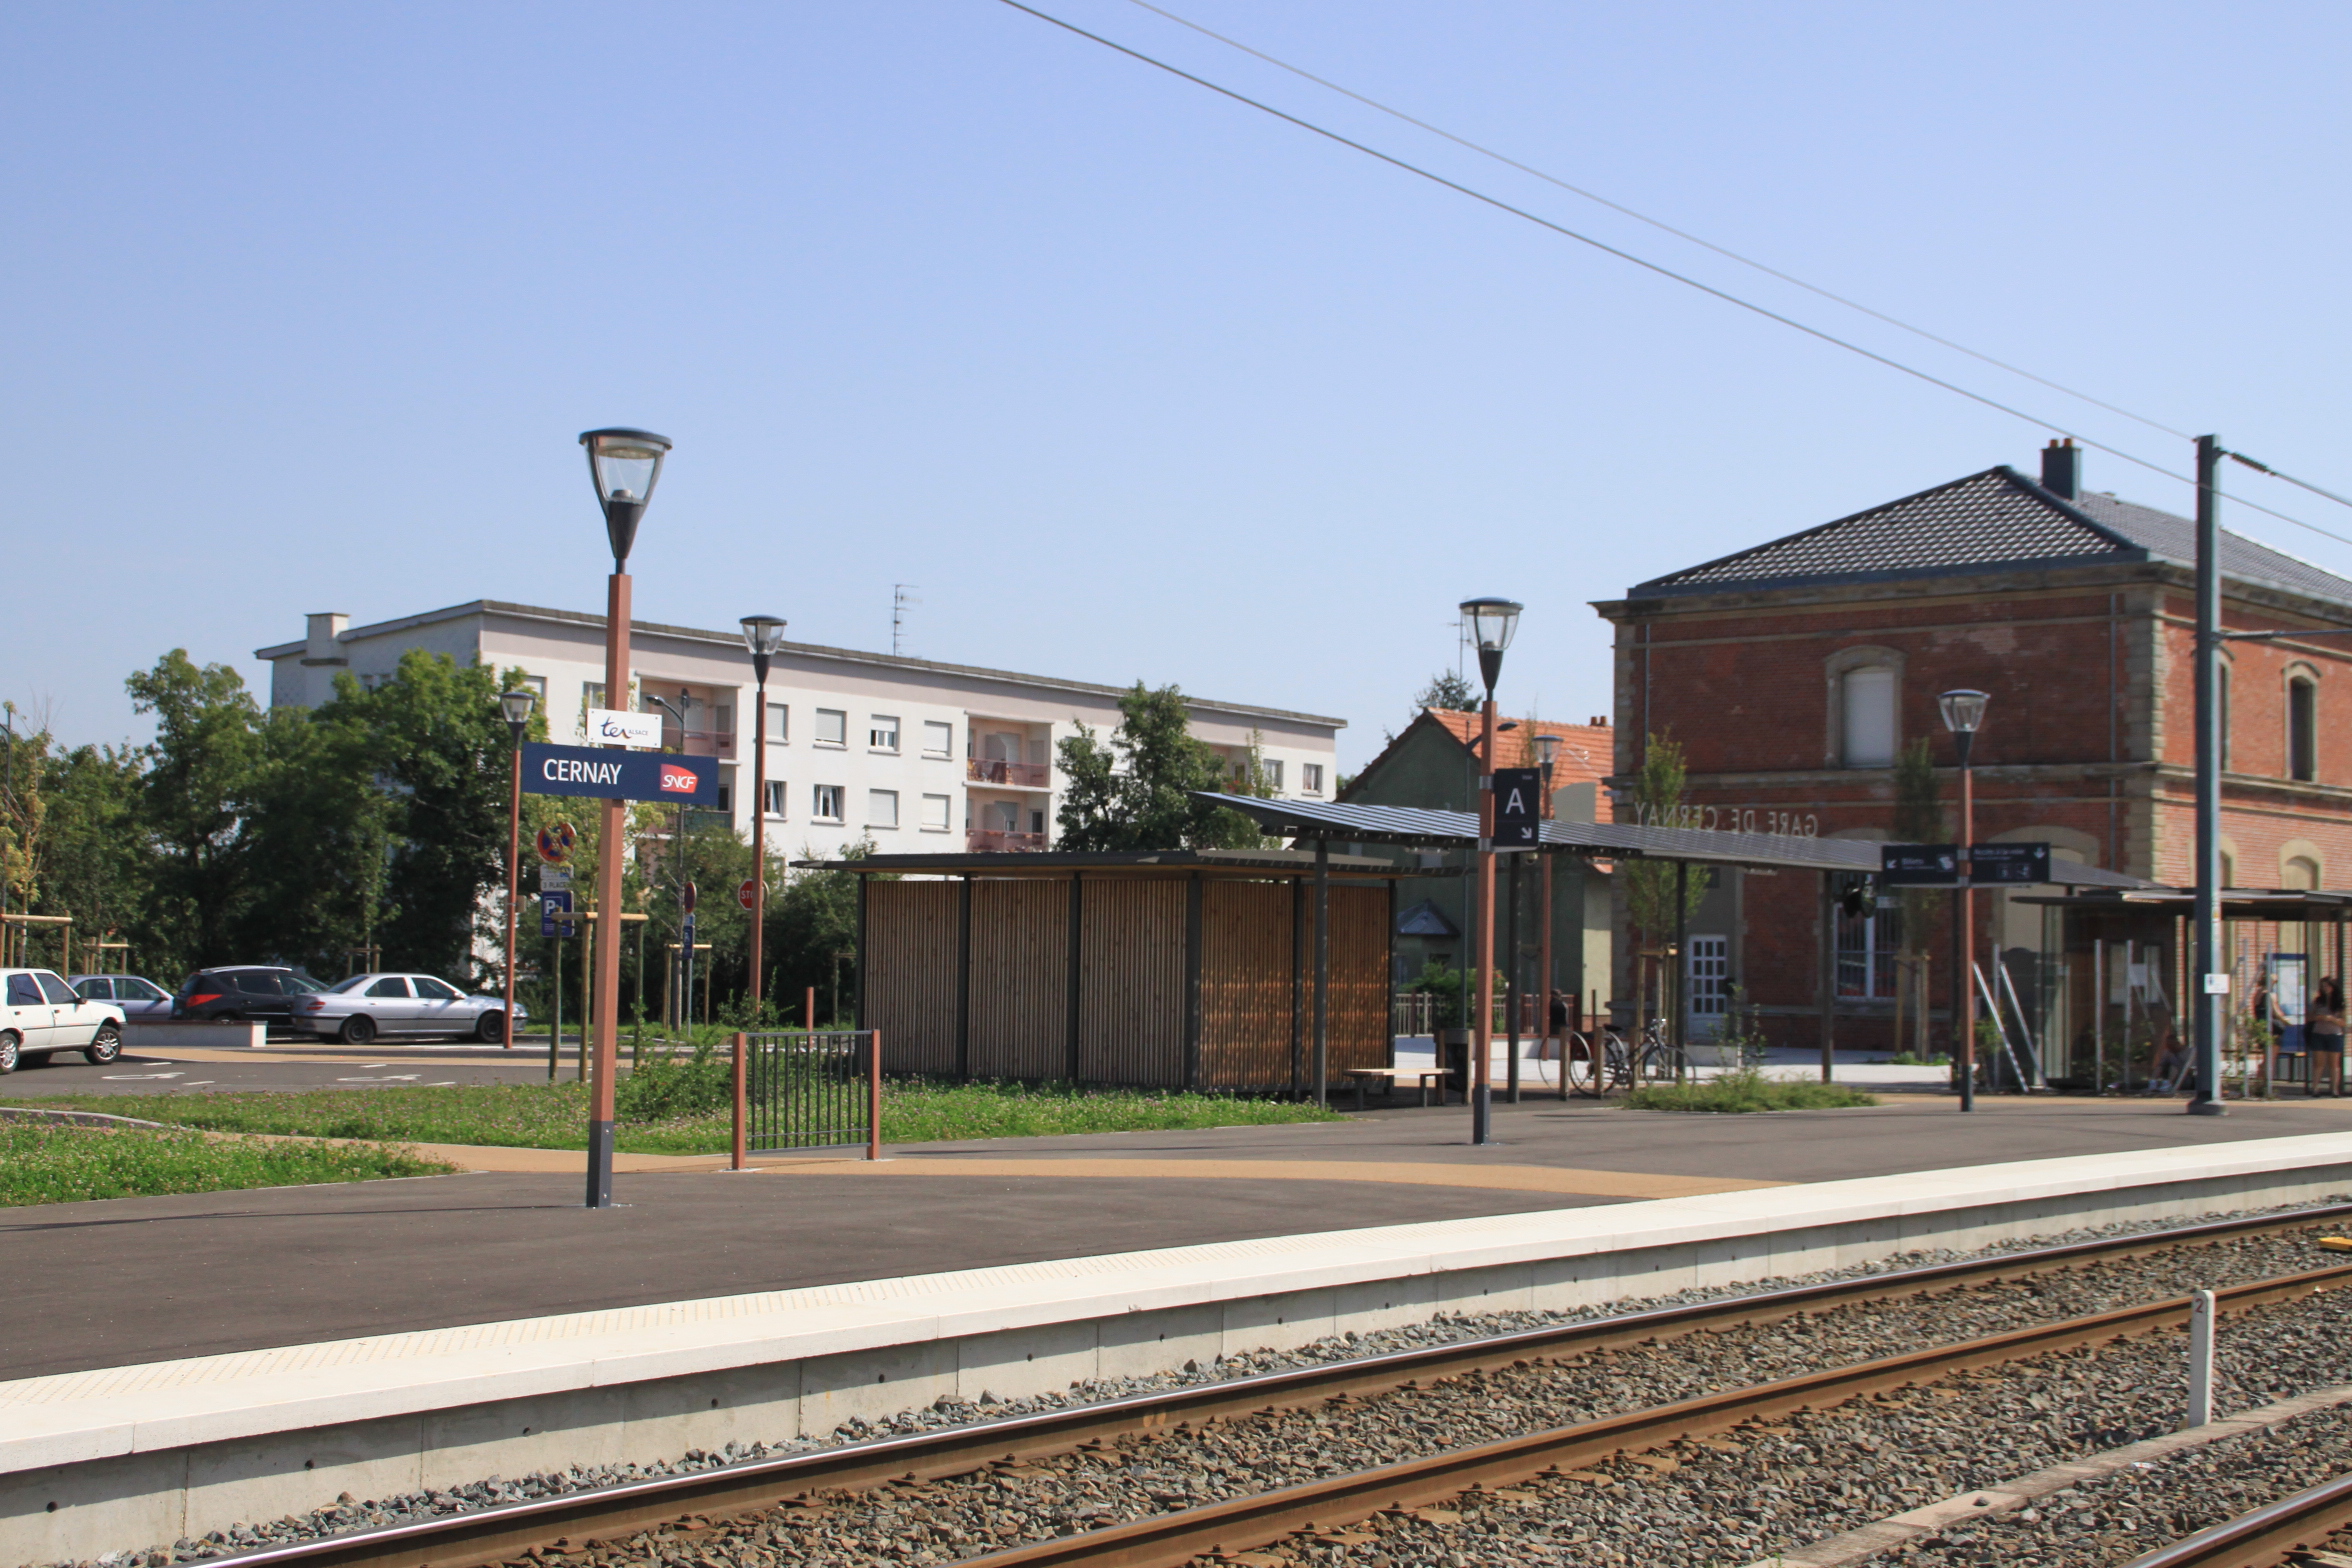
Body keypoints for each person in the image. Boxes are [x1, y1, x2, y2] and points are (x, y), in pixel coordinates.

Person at [2309, 976, 2345, 1096]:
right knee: (2318, 1062)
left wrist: (2332, 1019)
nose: (2325, 988)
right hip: (2319, 1033)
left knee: (2333, 1063)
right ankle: (2315, 1088)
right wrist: (2318, 1017)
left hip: (2334, 1034)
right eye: (2323, 986)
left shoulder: (2340, 1001)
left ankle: (2334, 1089)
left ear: (2333, 987)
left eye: (2327, 986)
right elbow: (2310, 1017)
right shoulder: (2318, 1001)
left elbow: (2344, 1022)